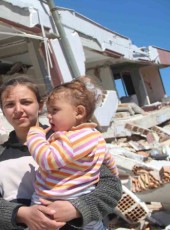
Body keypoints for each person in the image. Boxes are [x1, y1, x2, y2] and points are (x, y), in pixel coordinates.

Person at [0, 75, 122, 230]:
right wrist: (22, 214)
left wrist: (77, 208)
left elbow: (111, 187)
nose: (18, 110)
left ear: (40, 104)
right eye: (9, 104)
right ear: (2, 110)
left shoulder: (71, 142)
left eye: (26, 102)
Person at [26, 76, 119, 229]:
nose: (49, 116)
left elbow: (47, 159)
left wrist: (35, 135)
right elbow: (109, 164)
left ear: (79, 112)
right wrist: (113, 174)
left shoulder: (74, 138)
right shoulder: (95, 136)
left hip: (52, 204)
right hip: (83, 205)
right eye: (48, 111)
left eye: (55, 110)